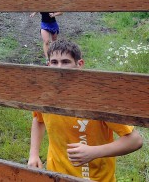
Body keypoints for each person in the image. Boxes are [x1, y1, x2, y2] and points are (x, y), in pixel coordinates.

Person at [27, 40, 143, 180]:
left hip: (95, 177)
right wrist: (33, 154)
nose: (59, 68)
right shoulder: (45, 95)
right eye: (54, 62)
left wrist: (93, 152)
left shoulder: (97, 100)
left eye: (65, 62)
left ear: (79, 64)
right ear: (48, 64)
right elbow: (38, 120)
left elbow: (135, 141)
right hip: (57, 175)